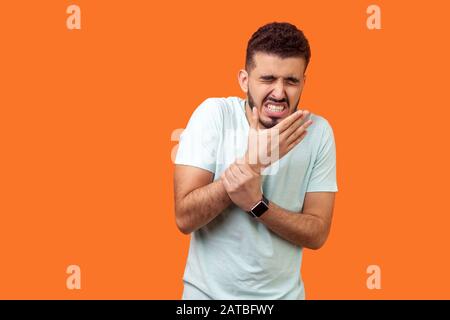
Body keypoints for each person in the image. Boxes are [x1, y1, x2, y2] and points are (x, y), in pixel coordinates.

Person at [174, 22, 338, 300]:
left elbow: (317, 234)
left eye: (291, 81)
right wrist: (252, 163)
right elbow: (184, 217)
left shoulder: (318, 132)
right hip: (206, 298)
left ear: (303, 83)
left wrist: (258, 205)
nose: (279, 92)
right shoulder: (215, 114)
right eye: (267, 79)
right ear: (244, 80)